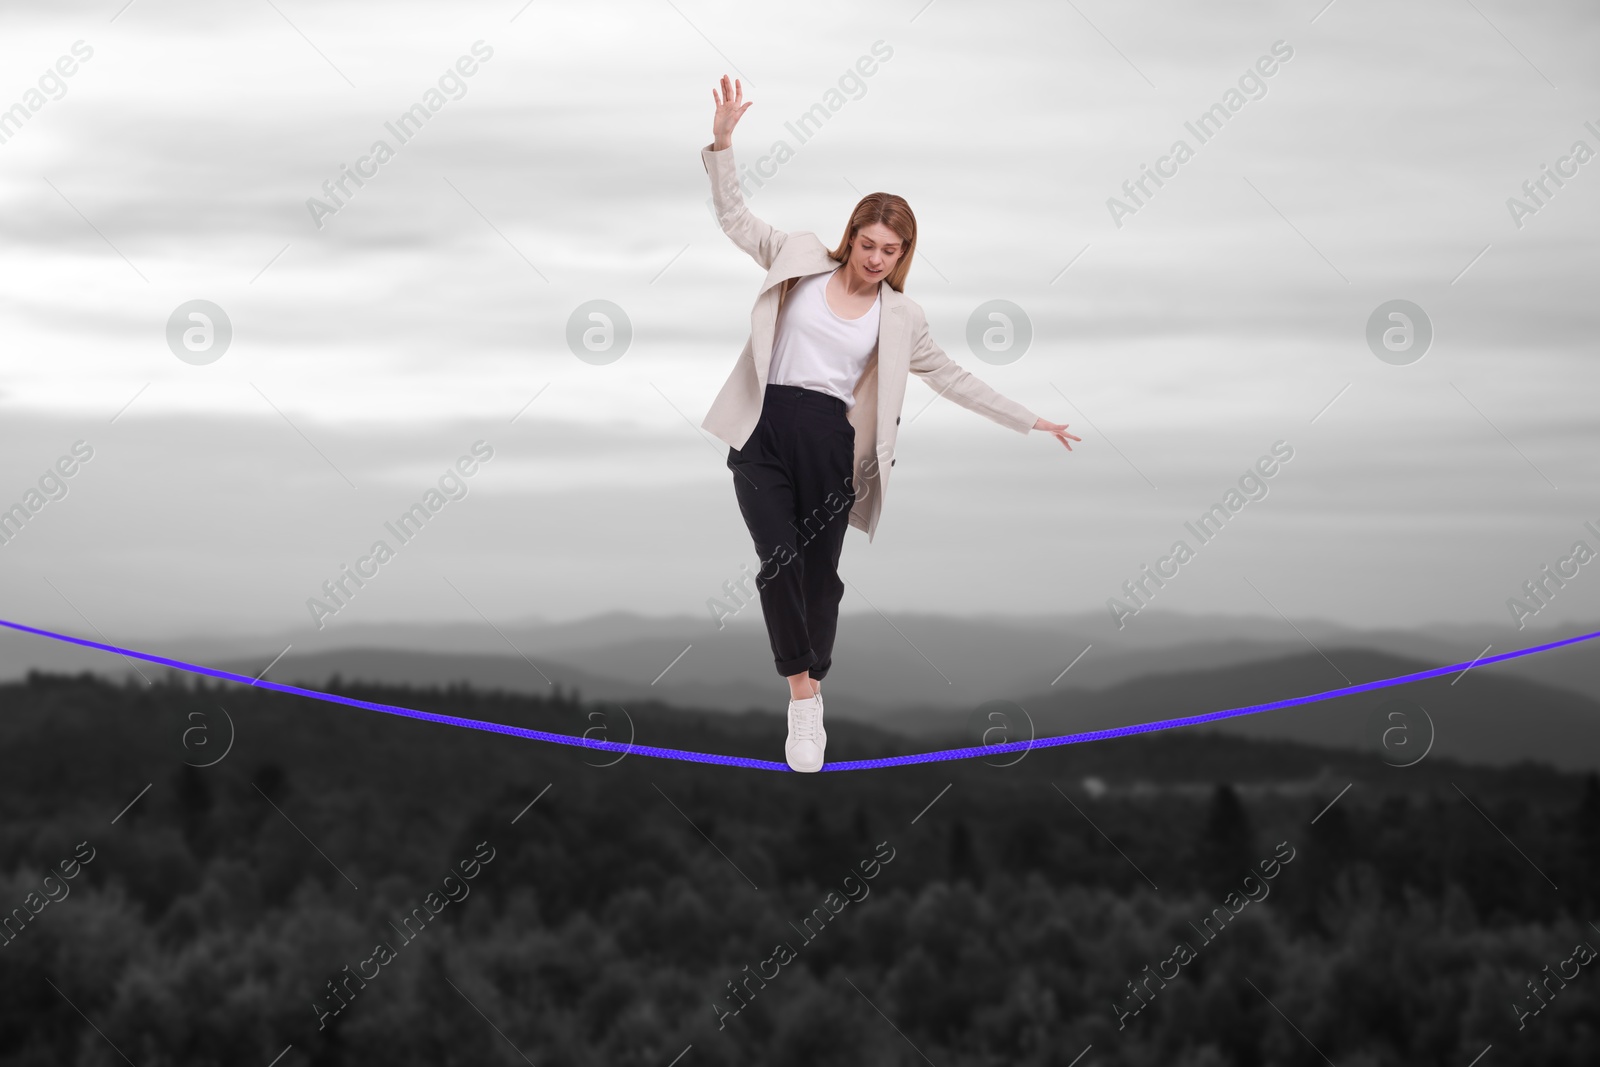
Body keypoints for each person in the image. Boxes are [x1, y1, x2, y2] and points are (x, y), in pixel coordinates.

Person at [700, 75, 1080, 772]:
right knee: (777, 560)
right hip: (763, 429)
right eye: (869, 242)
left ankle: (813, 671)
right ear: (851, 237)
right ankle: (803, 702)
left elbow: (955, 378)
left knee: (820, 581)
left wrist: (1030, 419)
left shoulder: (901, 319)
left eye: (892, 250)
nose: (876, 258)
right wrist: (724, 143)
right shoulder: (799, 258)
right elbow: (734, 218)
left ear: (904, 256)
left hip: (833, 445)